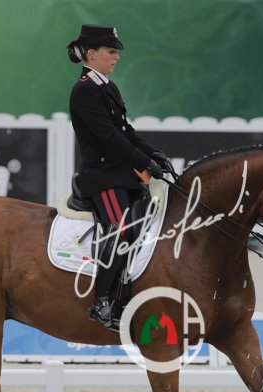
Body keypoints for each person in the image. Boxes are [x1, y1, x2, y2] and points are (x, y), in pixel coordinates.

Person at [67, 24, 173, 328]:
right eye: (111, 51)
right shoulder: (85, 90)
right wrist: (144, 162)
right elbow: (108, 138)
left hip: (122, 176)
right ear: (91, 53)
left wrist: (155, 154)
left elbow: (126, 131)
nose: (116, 57)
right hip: (102, 177)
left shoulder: (107, 86)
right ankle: (101, 301)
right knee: (121, 230)